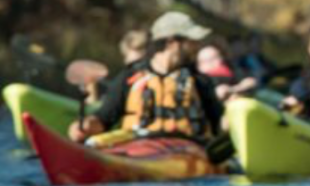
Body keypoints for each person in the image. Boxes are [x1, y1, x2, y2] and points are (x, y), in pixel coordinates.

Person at [68, 11, 223, 142]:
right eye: (192, 42)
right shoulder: (129, 78)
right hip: (140, 152)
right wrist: (85, 127)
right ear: (171, 43)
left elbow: (220, 125)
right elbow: (104, 118)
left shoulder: (200, 82)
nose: (197, 46)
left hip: (187, 154)